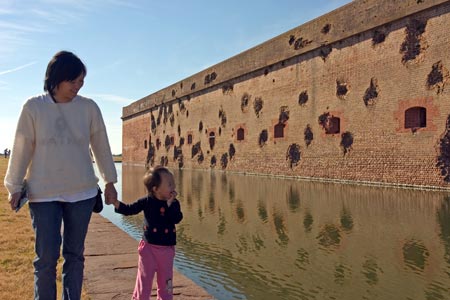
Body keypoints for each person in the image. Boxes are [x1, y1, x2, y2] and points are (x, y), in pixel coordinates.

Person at [4, 50, 118, 300]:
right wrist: (13, 185)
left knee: (75, 256)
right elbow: (22, 146)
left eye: (81, 82)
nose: (78, 86)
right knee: (45, 258)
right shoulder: (34, 107)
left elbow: (101, 145)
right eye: (73, 81)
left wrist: (110, 181)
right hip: (43, 194)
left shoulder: (89, 108)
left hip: (82, 193)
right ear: (56, 78)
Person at [107, 166, 183, 300]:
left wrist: (170, 205)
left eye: (173, 183)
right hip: (148, 249)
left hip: (166, 250)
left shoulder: (174, 203)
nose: (174, 186)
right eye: (169, 184)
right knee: (144, 279)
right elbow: (130, 209)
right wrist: (115, 202)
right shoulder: (147, 201)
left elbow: (177, 219)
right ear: (155, 189)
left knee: (166, 281)